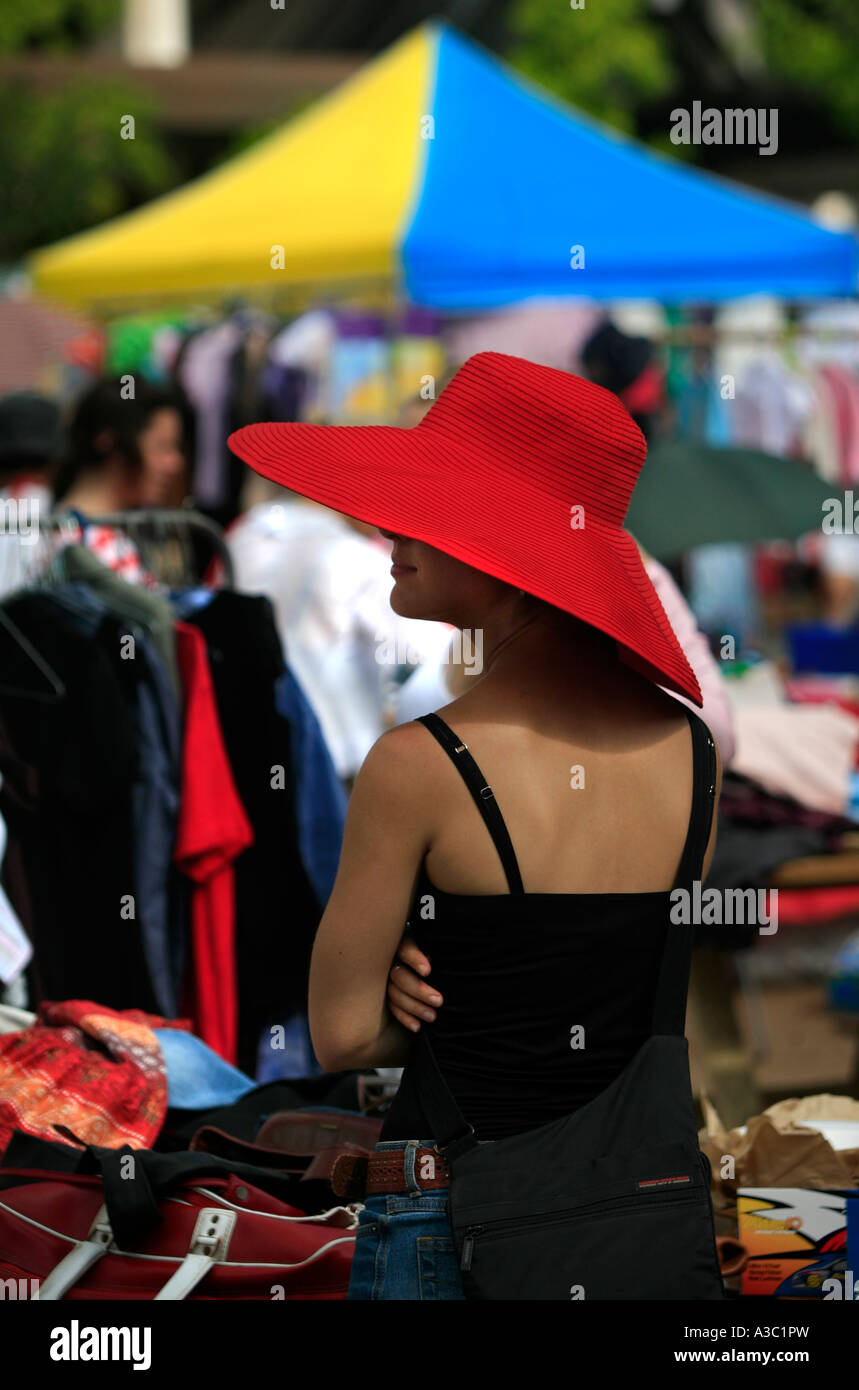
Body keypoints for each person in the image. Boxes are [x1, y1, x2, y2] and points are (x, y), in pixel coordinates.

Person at [228, 352, 722, 1301]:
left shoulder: (418, 765)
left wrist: (420, 963)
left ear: (511, 557)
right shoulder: (691, 755)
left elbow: (340, 1036)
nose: (387, 529)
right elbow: (601, 985)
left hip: (452, 1225)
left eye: (431, 510)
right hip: (633, 1218)